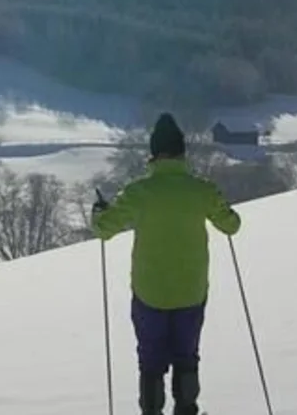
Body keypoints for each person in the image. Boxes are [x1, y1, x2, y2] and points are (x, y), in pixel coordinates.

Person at [92, 112, 242, 415]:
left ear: (154, 153)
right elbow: (231, 225)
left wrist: (98, 212)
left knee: (150, 360)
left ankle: (151, 411)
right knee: (187, 356)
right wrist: (225, 207)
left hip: (150, 293)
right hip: (191, 292)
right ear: (182, 152)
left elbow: (104, 230)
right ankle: (187, 408)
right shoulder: (202, 190)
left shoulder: (138, 192)